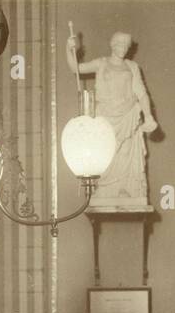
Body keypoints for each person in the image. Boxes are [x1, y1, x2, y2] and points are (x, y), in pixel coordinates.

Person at [65, 30, 158, 207]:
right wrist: (68, 49)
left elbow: (141, 93)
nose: (123, 48)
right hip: (106, 117)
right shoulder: (101, 63)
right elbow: (75, 68)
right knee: (106, 154)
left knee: (124, 154)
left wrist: (148, 116)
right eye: (120, 44)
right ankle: (103, 191)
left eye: (126, 46)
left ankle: (127, 190)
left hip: (127, 114)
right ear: (113, 45)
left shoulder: (132, 67)